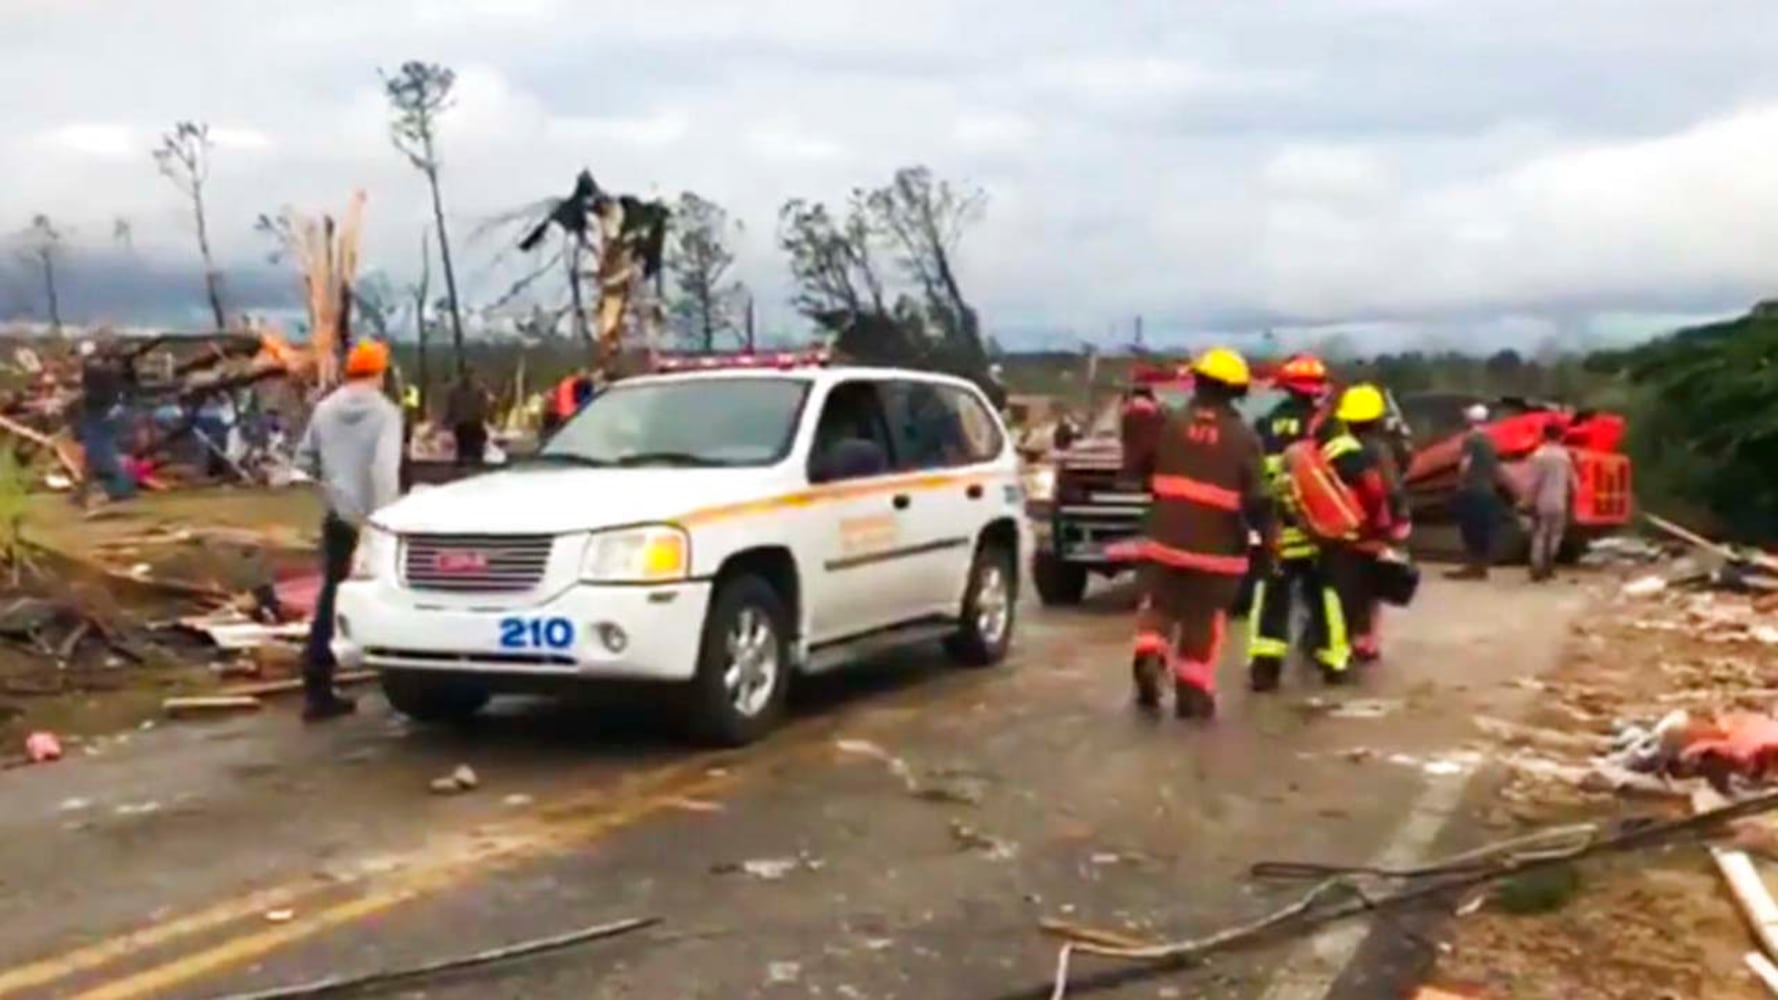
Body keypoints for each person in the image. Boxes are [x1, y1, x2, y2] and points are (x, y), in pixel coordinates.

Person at [1130, 347, 1271, 720]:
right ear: (1237, 391)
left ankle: (1150, 652)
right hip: (1217, 550)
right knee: (1203, 618)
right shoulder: (1244, 438)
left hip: (1164, 539)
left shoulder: (1170, 424)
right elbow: (1258, 499)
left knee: (1159, 606)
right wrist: (1267, 544)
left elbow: (1142, 468)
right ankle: (1192, 693)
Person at [293, 340, 403, 722]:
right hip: (375, 520)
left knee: (332, 596)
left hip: (338, 516)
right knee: (392, 595)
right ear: (380, 372)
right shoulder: (386, 413)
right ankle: (402, 677)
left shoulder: (325, 410)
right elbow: (384, 471)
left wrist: (333, 486)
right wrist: (384, 518)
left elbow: (303, 460)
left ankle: (317, 682)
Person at [1246, 353, 1349, 690]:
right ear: (1316, 389)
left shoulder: (1264, 424)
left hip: (1277, 526)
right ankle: (1333, 661)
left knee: (1271, 595)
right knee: (1325, 594)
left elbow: (1254, 478)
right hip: (1317, 529)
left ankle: (1265, 665)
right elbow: (1351, 466)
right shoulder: (1326, 426)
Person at [1319, 384, 1409, 667]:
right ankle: (1368, 641)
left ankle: (1341, 639)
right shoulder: (1380, 449)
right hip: (1373, 527)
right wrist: (1398, 524)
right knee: (1374, 585)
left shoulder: (1333, 448)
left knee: (1344, 587)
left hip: (1339, 528)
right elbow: (1391, 490)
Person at [73, 340, 135, 507]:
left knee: (103, 453)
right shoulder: (110, 368)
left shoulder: (94, 369)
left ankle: (122, 489)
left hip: (102, 413)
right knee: (93, 454)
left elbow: (94, 394)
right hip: (105, 412)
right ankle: (83, 492)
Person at [1449, 403, 1502, 580]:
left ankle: (1472, 567)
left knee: (1470, 529)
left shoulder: (1470, 439)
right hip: (1488, 490)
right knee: (1482, 529)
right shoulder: (1490, 440)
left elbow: (1465, 464)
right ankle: (1481, 567)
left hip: (1472, 489)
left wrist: (1459, 482)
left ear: (1470, 420)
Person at [1524, 422, 1577, 581]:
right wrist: (1573, 498)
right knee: (1555, 534)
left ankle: (1537, 568)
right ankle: (1549, 567)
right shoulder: (1565, 456)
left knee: (1540, 534)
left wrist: (1526, 500)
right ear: (1560, 437)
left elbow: (1534, 482)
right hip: (1560, 501)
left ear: (1544, 435)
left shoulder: (1539, 455)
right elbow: (1573, 482)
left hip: (1542, 502)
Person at [445, 371, 490, 468]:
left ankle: (471, 466)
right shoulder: (456, 391)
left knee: (472, 451)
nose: (467, 376)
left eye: (469, 373)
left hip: (472, 424)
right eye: (465, 373)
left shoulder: (478, 389)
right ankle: (467, 467)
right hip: (465, 425)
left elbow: (483, 407)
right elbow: (452, 407)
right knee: (465, 450)